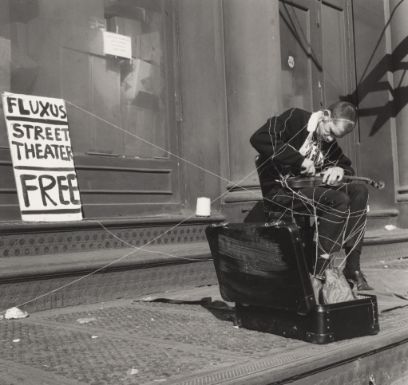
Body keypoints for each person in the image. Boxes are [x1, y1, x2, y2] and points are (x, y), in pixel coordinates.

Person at [250, 101, 373, 291]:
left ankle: (352, 267)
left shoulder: (327, 142)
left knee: (359, 191)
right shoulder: (296, 118)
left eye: (336, 136)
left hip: (308, 193)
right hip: (281, 192)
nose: (331, 139)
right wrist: (299, 160)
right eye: (330, 132)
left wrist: (338, 168)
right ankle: (319, 271)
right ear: (325, 115)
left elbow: (346, 165)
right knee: (338, 200)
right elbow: (259, 137)